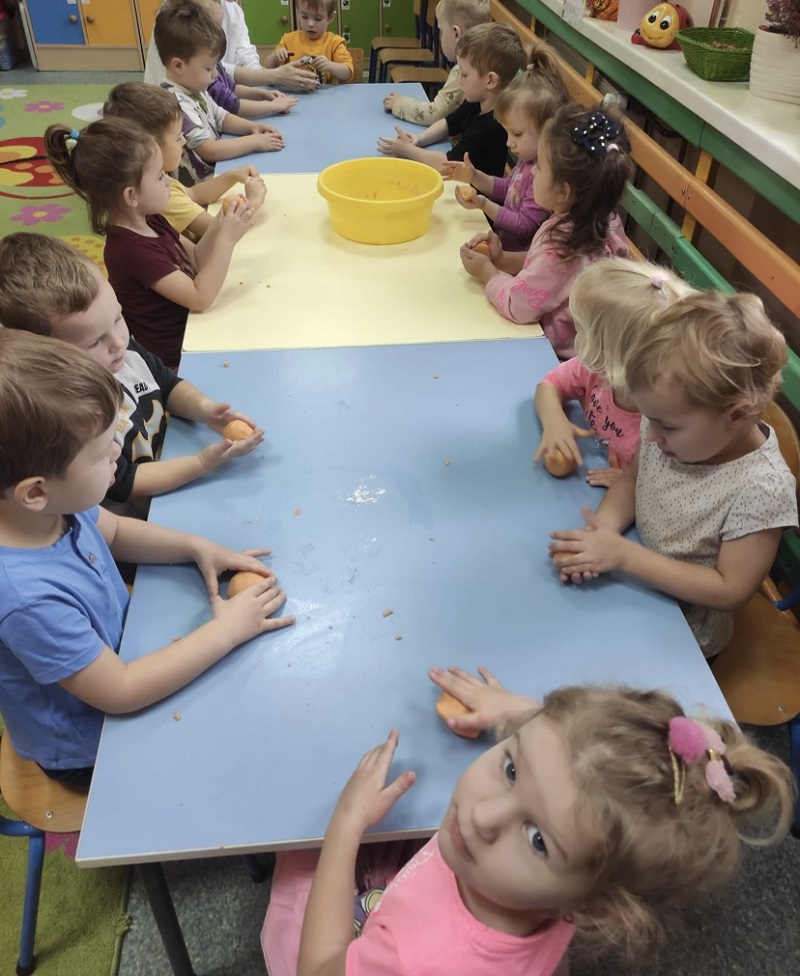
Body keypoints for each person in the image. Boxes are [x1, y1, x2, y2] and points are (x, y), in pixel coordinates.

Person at [261, 665, 795, 976]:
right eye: (512, 768)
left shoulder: (411, 958)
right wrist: (517, 713)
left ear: (594, 907)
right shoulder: (572, 884)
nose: (481, 816)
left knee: (297, 862)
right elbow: (570, 768)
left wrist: (346, 822)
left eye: (538, 839)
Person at [0, 328, 293, 787]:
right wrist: (228, 630)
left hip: (124, 653)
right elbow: (121, 691)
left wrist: (195, 546)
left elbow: (115, 531)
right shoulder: (26, 600)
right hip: (93, 743)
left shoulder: (51, 506)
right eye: (103, 453)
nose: (119, 453)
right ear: (35, 492)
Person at [549, 291, 799, 660]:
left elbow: (729, 590)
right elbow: (633, 479)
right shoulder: (673, 426)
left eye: (666, 426)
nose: (650, 436)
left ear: (737, 415)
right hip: (632, 577)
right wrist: (602, 531)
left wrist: (624, 557)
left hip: (683, 632)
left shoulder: (762, 488)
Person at [0, 233, 263, 510]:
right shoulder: (72, 415)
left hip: (174, 461)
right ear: (47, 355)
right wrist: (202, 462)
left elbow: (167, 384)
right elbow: (127, 481)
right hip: (144, 508)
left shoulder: (123, 352)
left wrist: (205, 410)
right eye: (95, 342)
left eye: (118, 318)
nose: (118, 342)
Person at [45, 117, 253, 370]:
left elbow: (196, 259)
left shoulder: (151, 218)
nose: (169, 182)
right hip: (177, 360)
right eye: (160, 176)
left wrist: (221, 223)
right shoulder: (132, 250)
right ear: (132, 195)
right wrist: (227, 240)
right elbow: (200, 297)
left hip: (197, 329)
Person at [460, 103, 632, 360]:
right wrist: (502, 259)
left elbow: (517, 305)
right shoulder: (606, 219)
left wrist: (486, 272)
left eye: (539, 166)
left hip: (554, 359)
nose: (532, 171)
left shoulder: (560, 244)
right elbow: (549, 273)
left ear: (563, 192)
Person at [535, 258, 695, 487]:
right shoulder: (596, 370)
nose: (575, 338)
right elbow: (549, 385)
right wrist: (554, 422)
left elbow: (674, 487)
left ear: (607, 353)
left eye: (580, 330)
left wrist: (632, 485)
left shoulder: (662, 423)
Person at [443, 42, 568, 252]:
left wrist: (484, 205)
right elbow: (507, 188)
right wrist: (474, 176)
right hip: (502, 247)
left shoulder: (543, 176)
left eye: (517, 134)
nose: (509, 142)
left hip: (515, 261)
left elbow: (523, 226)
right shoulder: (527, 160)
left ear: (548, 129)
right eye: (508, 133)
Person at [103, 81, 267, 240]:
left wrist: (232, 175)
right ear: (151, 148)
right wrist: (253, 202)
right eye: (177, 138)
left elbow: (194, 194)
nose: (183, 140)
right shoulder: (160, 195)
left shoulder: (160, 177)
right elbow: (221, 231)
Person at [155, 0, 285, 185]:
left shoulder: (194, 88)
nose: (215, 74)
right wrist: (256, 141)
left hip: (218, 172)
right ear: (178, 66)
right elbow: (210, 150)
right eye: (209, 68)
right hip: (201, 188)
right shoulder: (176, 103)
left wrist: (251, 127)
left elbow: (221, 116)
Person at [377, 23, 527, 178]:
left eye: (464, 74)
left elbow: (449, 163)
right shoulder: (478, 101)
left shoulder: (491, 126)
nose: (459, 79)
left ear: (490, 81)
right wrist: (419, 139)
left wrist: (407, 150)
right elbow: (450, 123)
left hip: (474, 190)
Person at [144, 0, 319, 93]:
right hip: (171, 109)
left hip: (212, 101)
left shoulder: (232, 10)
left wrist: (268, 79)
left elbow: (245, 57)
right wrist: (274, 76)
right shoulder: (180, 16)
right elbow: (214, 68)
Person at [381, 0, 489, 125]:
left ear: (456, 34)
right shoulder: (487, 60)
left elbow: (434, 114)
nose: (440, 37)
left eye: (441, 31)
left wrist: (399, 103)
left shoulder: (462, 72)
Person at [200, 0, 299, 118]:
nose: (215, 73)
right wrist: (273, 105)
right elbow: (232, 105)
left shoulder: (232, 10)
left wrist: (264, 93)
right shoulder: (206, 77)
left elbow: (232, 87)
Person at [267, 0, 354, 85]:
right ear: (298, 12)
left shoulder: (335, 42)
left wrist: (330, 65)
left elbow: (348, 73)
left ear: (330, 17)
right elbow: (269, 67)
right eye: (304, 17)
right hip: (293, 92)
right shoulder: (288, 40)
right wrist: (275, 57)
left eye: (318, 19)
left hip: (325, 94)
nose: (310, 24)